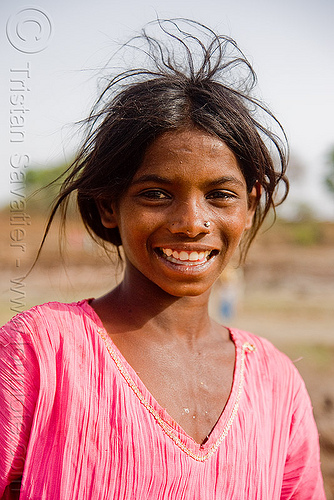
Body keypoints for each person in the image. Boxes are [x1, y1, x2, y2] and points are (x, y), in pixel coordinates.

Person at [0, 19, 325, 499]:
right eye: (156, 193)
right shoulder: (39, 354)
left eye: (220, 194)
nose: (192, 222)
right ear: (110, 204)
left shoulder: (277, 384)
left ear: (250, 206)